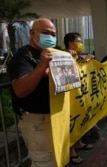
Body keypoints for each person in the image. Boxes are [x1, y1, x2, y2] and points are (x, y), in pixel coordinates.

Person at [8, 18, 57, 166]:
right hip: (37, 120)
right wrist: (42, 66)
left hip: (53, 117)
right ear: (32, 33)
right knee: (45, 162)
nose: (50, 37)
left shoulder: (53, 53)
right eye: (45, 33)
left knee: (54, 160)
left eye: (53, 34)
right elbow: (20, 90)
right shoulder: (23, 57)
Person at [64, 32, 94, 164]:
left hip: (79, 95)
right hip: (68, 97)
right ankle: (71, 151)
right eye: (78, 41)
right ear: (70, 43)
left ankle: (79, 143)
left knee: (79, 119)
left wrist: (86, 61)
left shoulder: (76, 56)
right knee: (71, 122)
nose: (81, 44)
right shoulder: (64, 56)